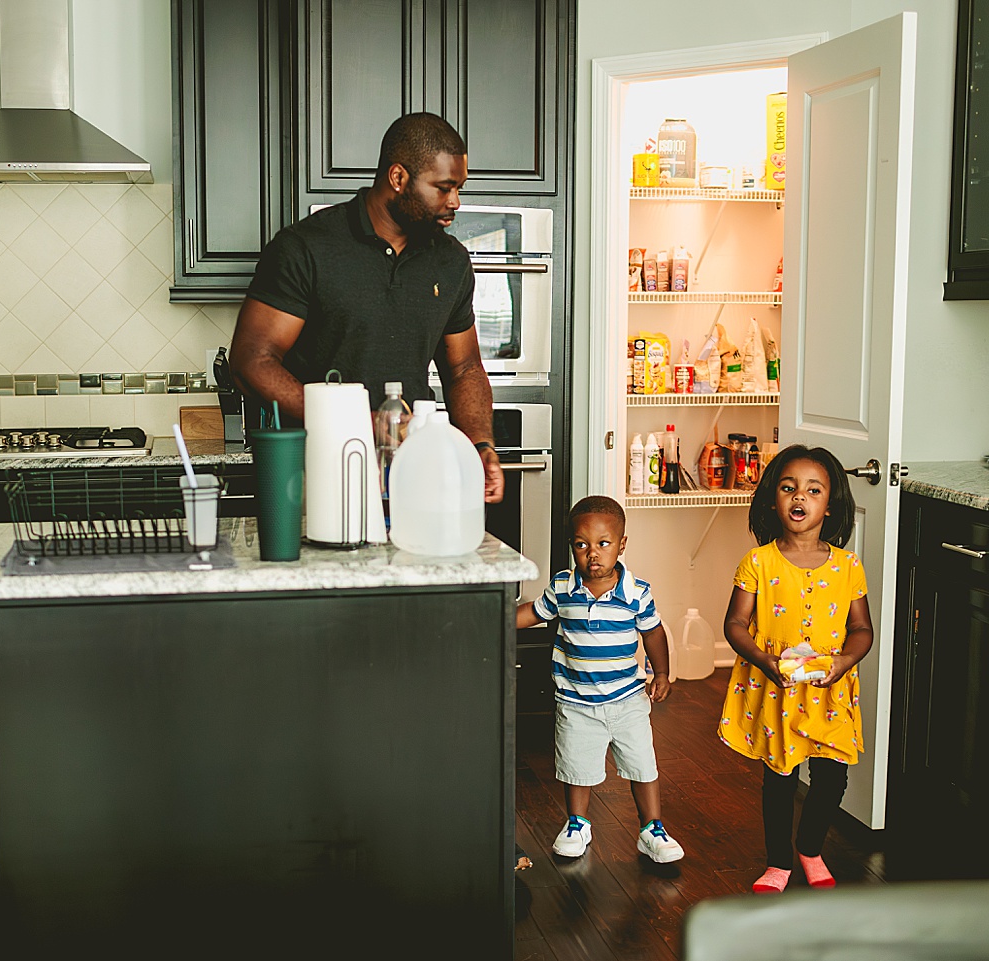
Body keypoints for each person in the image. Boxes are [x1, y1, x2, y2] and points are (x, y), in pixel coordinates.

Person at [228, 111, 503, 502]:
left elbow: (463, 368)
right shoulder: (307, 247)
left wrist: (481, 446)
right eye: (443, 187)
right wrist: (355, 421)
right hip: (315, 471)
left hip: (414, 473)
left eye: (458, 187)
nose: (455, 201)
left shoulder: (450, 260)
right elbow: (252, 361)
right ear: (398, 178)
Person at [718, 444, 875, 894]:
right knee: (780, 779)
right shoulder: (758, 562)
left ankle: (809, 848)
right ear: (773, 498)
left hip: (830, 687)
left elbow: (862, 629)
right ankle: (778, 862)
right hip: (777, 687)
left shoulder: (848, 567)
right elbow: (734, 624)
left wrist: (844, 661)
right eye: (788, 488)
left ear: (831, 504)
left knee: (832, 776)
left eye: (813, 489)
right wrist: (765, 660)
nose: (799, 497)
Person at [516, 496, 686, 863]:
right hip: (575, 700)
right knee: (576, 766)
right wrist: (492, 617)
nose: (592, 553)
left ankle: (651, 828)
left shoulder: (636, 593)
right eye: (582, 544)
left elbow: (653, 633)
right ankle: (577, 823)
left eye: (603, 544)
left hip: (627, 698)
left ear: (622, 544)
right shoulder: (562, 588)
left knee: (643, 764)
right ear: (572, 547)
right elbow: (533, 612)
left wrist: (662, 672)